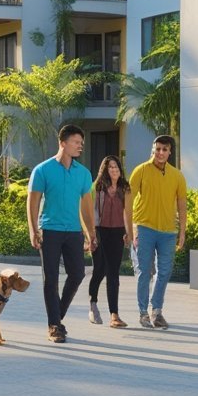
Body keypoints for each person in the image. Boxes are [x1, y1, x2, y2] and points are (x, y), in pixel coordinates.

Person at [28, 123, 95, 343]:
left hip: (73, 232)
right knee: (51, 279)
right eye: (76, 142)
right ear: (62, 143)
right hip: (50, 230)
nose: (80, 147)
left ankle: (57, 317)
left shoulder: (83, 174)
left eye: (81, 143)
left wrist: (91, 233)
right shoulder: (42, 170)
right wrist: (33, 229)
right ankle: (55, 325)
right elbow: (33, 201)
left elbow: (86, 206)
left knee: (77, 274)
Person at [130, 135, 186, 330]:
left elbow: (181, 204)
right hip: (144, 228)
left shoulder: (177, 175)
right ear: (153, 149)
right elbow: (128, 201)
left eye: (165, 149)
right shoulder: (141, 171)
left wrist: (182, 232)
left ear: (170, 152)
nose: (161, 152)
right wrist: (131, 228)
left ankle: (157, 311)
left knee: (164, 271)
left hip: (168, 231)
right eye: (158, 148)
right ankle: (143, 313)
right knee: (144, 271)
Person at [87, 155, 133, 328]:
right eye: (110, 167)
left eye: (116, 167)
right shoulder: (96, 187)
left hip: (117, 232)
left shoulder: (125, 187)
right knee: (100, 270)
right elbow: (91, 212)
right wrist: (91, 235)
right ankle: (93, 302)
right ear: (105, 170)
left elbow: (128, 212)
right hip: (100, 231)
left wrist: (129, 232)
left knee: (113, 272)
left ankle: (114, 315)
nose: (114, 170)